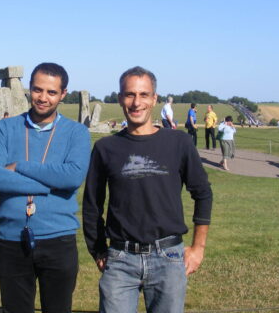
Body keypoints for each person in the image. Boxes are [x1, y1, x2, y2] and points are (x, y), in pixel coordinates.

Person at [82, 66, 212, 313]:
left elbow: (203, 193)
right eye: (129, 94)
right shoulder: (105, 148)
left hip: (169, 257)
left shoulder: (179, 143)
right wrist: (98, 248)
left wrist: (198, 248)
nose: (136, 102)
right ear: (120, 98)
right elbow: (92, 204)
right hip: (120, 259)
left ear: (154, 98)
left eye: (143, 94)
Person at [0, 62, 91, 313]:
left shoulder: (77, 133)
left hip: (58, 239)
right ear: (29, 89)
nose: (43, 98)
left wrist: (19, 165)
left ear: (63, 94)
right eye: (38, 90)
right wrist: (48, 186)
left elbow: (72, 177)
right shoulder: (6, 128)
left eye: (51, 92)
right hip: (12, 239)